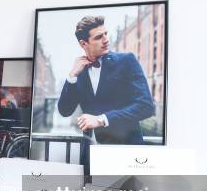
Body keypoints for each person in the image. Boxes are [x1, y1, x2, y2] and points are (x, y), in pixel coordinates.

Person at [57, 15, 155, 144]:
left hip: (124, 150)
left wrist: (101, 120)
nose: (106, 40)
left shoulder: (126, 61)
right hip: (90, 154)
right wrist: (72, 76)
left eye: (105, 34)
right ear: (83, 43)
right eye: (98, 37)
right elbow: (64, 111)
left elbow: (146, 106)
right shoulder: (80, 71)